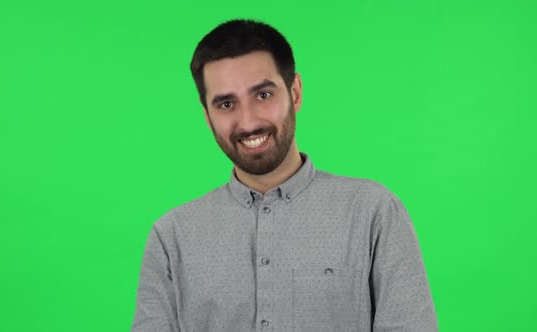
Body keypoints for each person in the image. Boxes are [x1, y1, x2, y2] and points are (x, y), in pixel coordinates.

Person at [131, 19, 438, 331]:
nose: (248, 122)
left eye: (263, 95)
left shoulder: (373, 213)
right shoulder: (171, 237)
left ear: (296, 92)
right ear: (208, 118)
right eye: (226, 104)